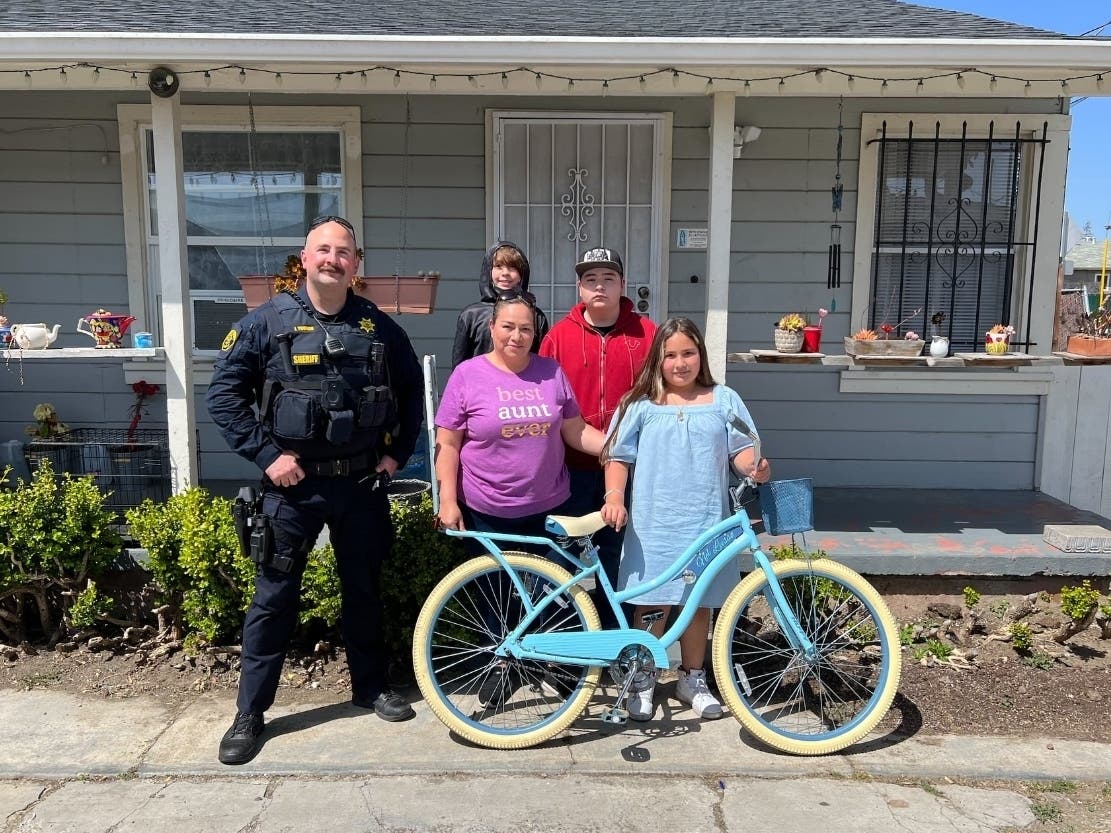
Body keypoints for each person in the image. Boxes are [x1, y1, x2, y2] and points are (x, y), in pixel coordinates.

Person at [206, 215, 425, 765]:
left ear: (356, 264)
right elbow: (224, 396)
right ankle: (250, 713)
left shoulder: (379, 327)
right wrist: (267, 456)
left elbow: (410, 394)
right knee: (273, 600)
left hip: (361, 484)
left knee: (364, 590)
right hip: (292, 488)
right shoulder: (265, 322)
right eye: (322, 250)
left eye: (343, 251)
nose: (332, 259)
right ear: (303, 260)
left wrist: (396, 453)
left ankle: (371, 688)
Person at [435, 291, 605, 703]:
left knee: (558, 594)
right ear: (492, 329)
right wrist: (448, 499)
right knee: (497, 596)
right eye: (508, 327)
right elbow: (448, 443)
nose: (516, 336)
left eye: (525, 328)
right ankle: (503, 667)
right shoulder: (467, 375)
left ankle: (558, 665)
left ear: (535, 333)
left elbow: (574, 431)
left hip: (550, 505)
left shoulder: (551, 372)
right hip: (488, 510)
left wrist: (622, 448)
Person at [599, 317, 771, 722]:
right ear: (657, 359)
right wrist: (614, 496)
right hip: (653, 523)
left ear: (701, 356)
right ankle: (643, 678)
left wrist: (754, 467)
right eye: (670, 354)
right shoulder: (638, 405)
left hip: (706, 518)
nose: (680, 363)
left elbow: (741, 450)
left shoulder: (724, 399)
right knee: (652, 600)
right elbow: (618, 457)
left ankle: (692, 678)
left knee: (698, 603)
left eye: (688, 353)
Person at [539, 247, 655, 627]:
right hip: (571, 469)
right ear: (580, 287)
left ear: (622, 284)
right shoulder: (558, 338)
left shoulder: (648, 333)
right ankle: (564, 642)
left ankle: (613, 638)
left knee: (618, 556)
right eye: (591, 279)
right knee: (562, 558)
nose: (599, 286)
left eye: (608, 278)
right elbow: (543, 401)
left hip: (631, 469)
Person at [451, 241, 549, 368]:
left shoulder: (535, 316)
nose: (505, 273)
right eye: (498, 266)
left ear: (522, 275)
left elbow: (541, 361)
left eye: (512, 267)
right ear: (488, 272)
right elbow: (459, 364)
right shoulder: (471, 315)